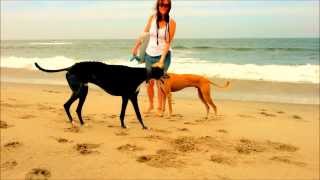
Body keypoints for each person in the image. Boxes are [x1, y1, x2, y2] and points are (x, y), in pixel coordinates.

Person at [132, 0, 176, 115]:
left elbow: (167, 42)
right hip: (149, 54)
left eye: (166, 5)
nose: (164, 7)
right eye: (162, 4)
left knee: (160, 82)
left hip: (163, 56)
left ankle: (160, 107)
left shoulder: (171, 22)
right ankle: (151, 104)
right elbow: (144, 33)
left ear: (169, 7)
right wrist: (136, 47)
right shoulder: (152, 18)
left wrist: (161, 60)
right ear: (158, 5)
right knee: (149, 82)